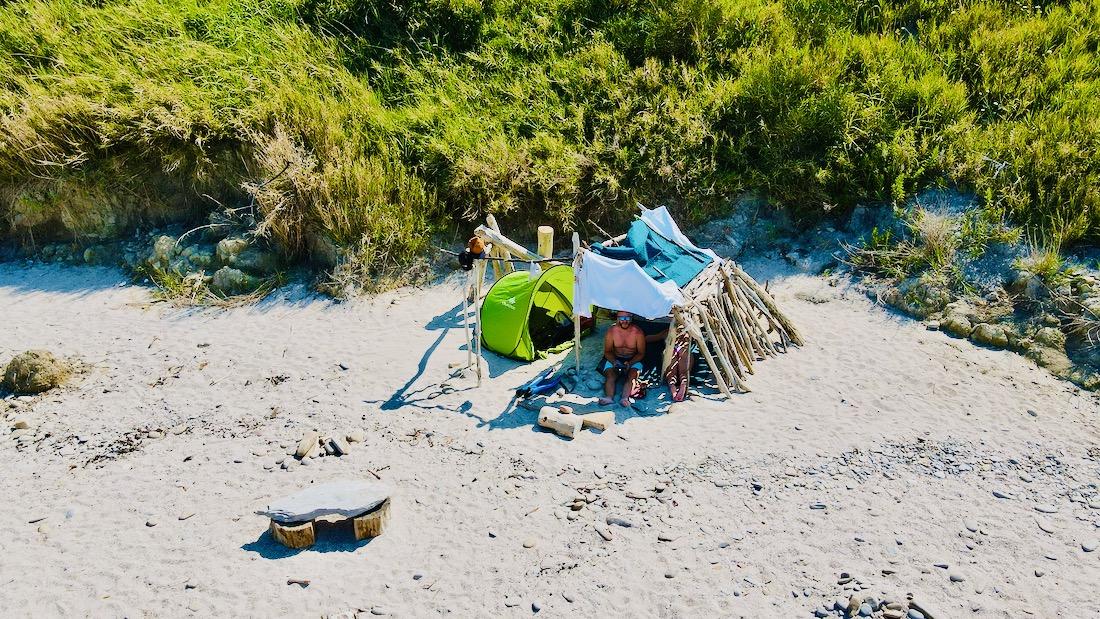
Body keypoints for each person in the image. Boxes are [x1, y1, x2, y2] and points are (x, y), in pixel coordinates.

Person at [596, 311, 646, 406]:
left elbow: (641, 353)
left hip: (633, 358)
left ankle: (624, 398)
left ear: (631, 319)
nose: (625, 321)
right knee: (610, 375)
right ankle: (609, 397)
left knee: (632, 376)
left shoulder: (638, 332)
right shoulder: (612, 331)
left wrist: (630, 363)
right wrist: (614, 362)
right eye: (622, 318)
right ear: (618, 318)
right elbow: (607, 351)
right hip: (615, 357)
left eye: (627, 318)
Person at [662, 325, 693, 402]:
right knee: (683, 373)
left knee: (671, 373)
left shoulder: (667, 332)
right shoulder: (689, 333)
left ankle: (673, 387)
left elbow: (650, 338)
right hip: (683, 349)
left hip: (671, 350)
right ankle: (682, 384)